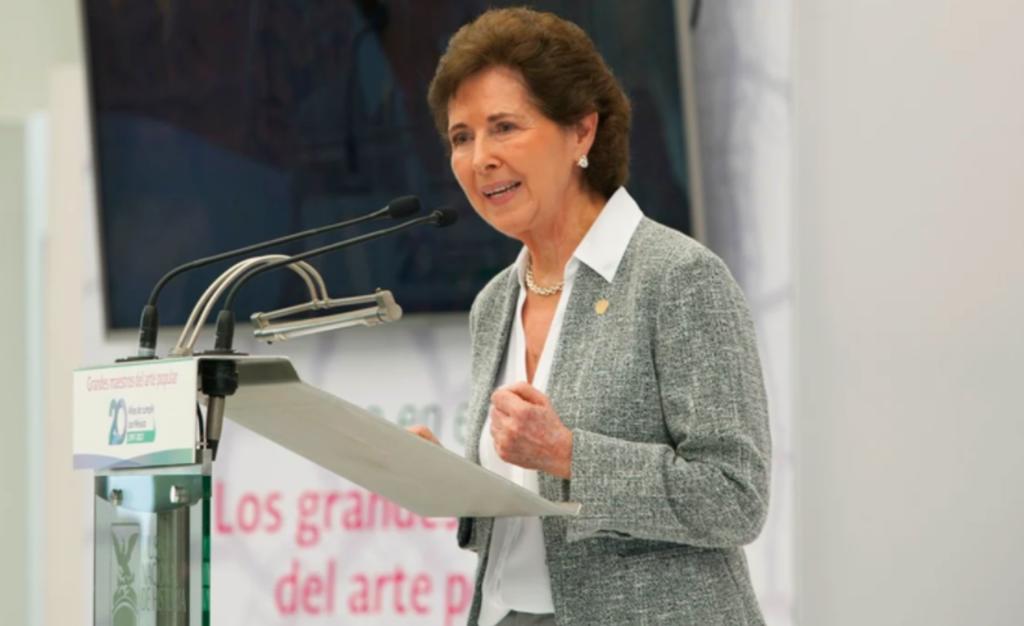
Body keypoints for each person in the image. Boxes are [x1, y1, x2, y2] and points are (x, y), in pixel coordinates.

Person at [409, 8, 771, 626]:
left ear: (581, 131)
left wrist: (571, 455)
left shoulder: (677, 277)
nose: (479, 158)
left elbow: (734, 498)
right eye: (461, 137)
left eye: (504, 127)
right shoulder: (495, 302)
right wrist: (449, 483)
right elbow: (528, 519)